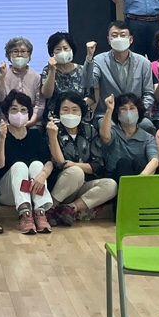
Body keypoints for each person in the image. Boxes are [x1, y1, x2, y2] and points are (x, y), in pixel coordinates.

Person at [48, 93, 117, 225]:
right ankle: (50, 207)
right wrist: (52, 138)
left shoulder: (89, 130)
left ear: (81, 112)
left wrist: (74, 164)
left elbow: (97, 165)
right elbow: (60, 163)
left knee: (111, 185)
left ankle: (69, 208)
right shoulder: (53, 130)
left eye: (75, 110)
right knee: (76, 172)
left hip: (83, 185)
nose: (70, 113)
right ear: (58, 112)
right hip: (61, 185)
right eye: (65, 109)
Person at [0, 91, 54, 234]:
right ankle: (25, 214)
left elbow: (48, 162)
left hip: (32, 190)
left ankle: (40, 212)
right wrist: (2, 138)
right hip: (7, 192)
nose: (19, 113)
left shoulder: (35, 134)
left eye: (23, 110)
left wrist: (43, 175)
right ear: (7, 112)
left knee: (37, 165)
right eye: (14, 109)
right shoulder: (0, 134)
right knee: (20, 166)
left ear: (28, 113)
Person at [90, 22, 154, 126]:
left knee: (147, 126)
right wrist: (89, 58)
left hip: (135, 114)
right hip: (108, 114)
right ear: (109, 40)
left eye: (123, 35)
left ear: (131, 39)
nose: (119, 39)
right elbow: (89, 82)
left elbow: (148, 94)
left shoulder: (144, 62)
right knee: (110, 128)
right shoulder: (99, 60)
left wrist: (138, 113)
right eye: (114, 35)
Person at [98, 92, 159, 183]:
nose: (128, 112)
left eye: (132, 108)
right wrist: (109, 109)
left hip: (141, 178)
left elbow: (154, 160)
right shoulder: (114, 132)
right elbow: (105, 136)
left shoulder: (148, 138)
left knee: (140, 162)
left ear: (139, 111)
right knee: (124, 162)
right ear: (117, 113)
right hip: (115, 179)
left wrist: (140, 178)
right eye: (123, 109)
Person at [0, 37, 44, 123]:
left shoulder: (36, 77)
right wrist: (2, 76)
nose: (19, 54)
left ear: (29, 56)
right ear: (8, 56)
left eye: (23, 51)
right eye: (15, 51)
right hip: (5, 122)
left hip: (30, 121)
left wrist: (31, 121)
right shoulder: (2, 74)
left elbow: (39, 104)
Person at [40, 32, 96, 104]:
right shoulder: (48, 70)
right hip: (55, 111)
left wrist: (78, 106)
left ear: (72, 50)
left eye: (65, 48)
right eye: (58, 49)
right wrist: (52, 71)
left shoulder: (82, 70)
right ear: (52, 53)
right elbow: (47, 94)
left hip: (78, 109)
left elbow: (91, 97)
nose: (62, 52)